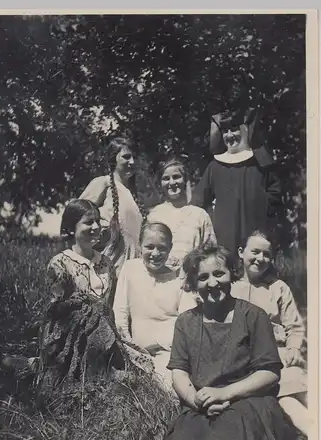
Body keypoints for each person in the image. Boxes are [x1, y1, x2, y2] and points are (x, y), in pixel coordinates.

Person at [158, 245, 299, 440]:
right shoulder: (186, 322)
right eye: (203, 277)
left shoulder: (254, 316)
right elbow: (179, 372)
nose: (212, 283)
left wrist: (225, 394)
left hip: (248, 401)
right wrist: (196, 401)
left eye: (219, 273)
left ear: (232, 273)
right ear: (193, 284)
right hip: (201, 403)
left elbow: (270, 372)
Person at [3, 199, 154, 393]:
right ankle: (33, 366)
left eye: (98, 221)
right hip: (73, 336)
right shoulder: (60, 263)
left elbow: (113, 305)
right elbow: (57, 312)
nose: (96, 227)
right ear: (71, 228)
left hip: (107, 335)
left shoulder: (107, 263)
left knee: (140, 371)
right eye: (88, 222)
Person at [231, 229, 309, 436]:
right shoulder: (229, 288)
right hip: (247, 360)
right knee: (287, 398)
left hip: (279, 353)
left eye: (266, 254)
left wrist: (293, 347)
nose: (260, 258)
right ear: (241, 252)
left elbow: (294, 326)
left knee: (302, 387)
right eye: (255, 252)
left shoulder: (278, 288)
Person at [113, 222, 196, 390]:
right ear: (140, 245)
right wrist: (128, 347)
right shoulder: (130, 270)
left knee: (168, 389)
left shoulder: (179, 277)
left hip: (169, 352)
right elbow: (120, 312)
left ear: (170, 247)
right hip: (135, 350)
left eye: (162, 248)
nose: (155, 254)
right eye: (149, 247)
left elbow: (187, 319)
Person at [191, 105, 282, 256]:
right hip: (224, 240)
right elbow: (198, 201)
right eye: (225, 131)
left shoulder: (261, 163)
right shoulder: (215, 166)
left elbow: (275, 196)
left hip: (256, 238)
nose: (229, 135)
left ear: (245, 130)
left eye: (234, 129)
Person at [78, 137, 143, 276]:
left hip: (131, 270)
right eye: (126, 157)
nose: (132, 161)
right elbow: (76, 215)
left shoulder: (132, 194)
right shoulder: (103, 183)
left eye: (134, 157)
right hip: (108, 268)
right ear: (113, 159)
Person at [147, 158, 216, 270]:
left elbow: (211, 253)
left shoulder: (200, 215)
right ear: (160, 183)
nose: (172, 182)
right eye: (166, 178)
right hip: (160, 280)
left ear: (185, 180)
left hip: (190, 279)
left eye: (176, 177)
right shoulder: (153, 215)